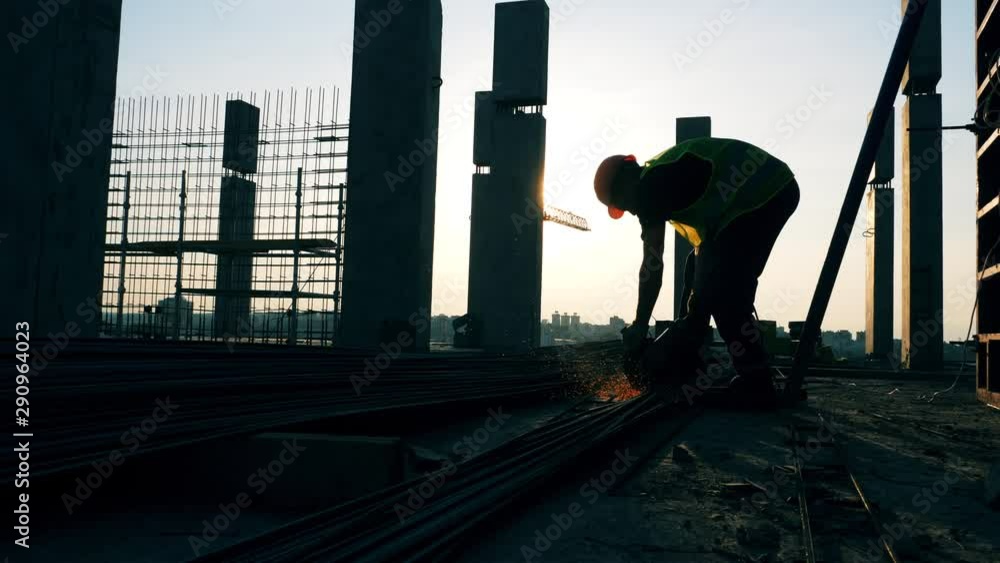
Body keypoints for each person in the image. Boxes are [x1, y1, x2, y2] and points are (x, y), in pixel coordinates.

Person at [594, 138, 800, 407]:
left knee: (724, 291)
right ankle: (691, 354)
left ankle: (757, 382)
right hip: (755, 196)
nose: (631, 212)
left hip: (762, 194)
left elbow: (652, 265)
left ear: (624, 183)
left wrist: (640, 324)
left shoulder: (648, 188)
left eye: (623, 204)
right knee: (698, 268)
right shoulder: (660, 176)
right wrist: (693, 319)